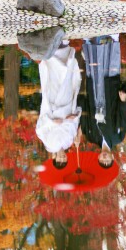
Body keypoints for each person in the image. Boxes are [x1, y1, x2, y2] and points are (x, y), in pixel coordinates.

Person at [79, 34, 126, 168]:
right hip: (110, 100)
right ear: (112, 157)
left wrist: (79, 130)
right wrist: (123, 101)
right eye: (108, 161)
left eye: (102, 161)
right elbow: (123, 118)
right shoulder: (117, 138)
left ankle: (89, 42)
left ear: (98, 157)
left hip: (94, 98)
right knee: (110, 71)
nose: (104, 158)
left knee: (94, 73)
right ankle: (113, 40)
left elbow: (84, 116)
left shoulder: (91, 136)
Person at [35, 39, 83, 168]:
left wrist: (52, 122)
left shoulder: (49, 145)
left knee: (54, 78)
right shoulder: (69, 142)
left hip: (53, 107)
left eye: (59, 160)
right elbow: (75, 124)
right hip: (67, 105)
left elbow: (40, 128)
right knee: (67, 77)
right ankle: (64, 45)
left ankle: (53, 46)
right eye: (64, 160)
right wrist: (75, 116)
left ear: (54, 158)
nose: (62, 158)